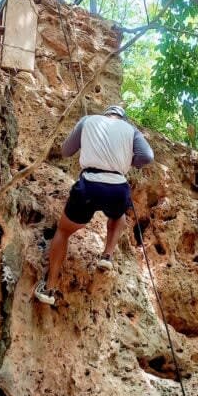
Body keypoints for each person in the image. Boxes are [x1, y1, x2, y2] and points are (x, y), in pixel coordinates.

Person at [34, 105, 154, 305]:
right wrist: (128, 160)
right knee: (118, 216)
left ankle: (49, 288)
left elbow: (65, 151)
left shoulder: (88, 120)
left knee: (63, 231)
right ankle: (107, 255)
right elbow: (147, 156)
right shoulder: (130, 129)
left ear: (106, 114)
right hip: (117, 187)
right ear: (122, 118)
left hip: (89, 185)